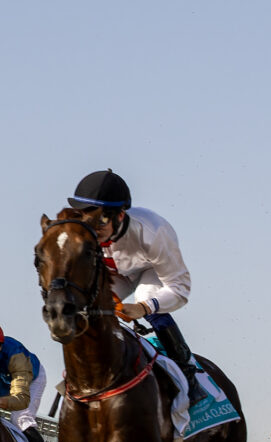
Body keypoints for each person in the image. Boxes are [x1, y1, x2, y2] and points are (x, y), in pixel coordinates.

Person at [66, 169, 196, 428]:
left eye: (101, 222)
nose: (94, 229)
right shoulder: (85, 230)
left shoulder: (153, 232)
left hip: (152, 268)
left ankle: (186, 367)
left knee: (147, 295)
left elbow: (180, 288)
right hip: (116, 271)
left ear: (120, 215)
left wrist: (143, 307)